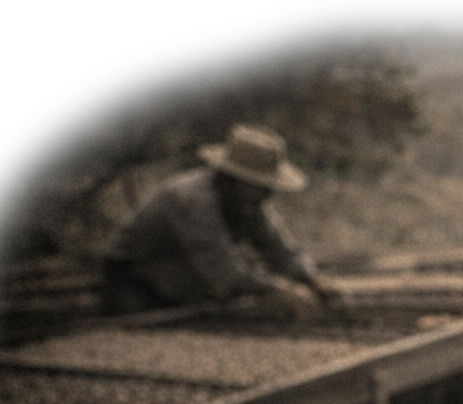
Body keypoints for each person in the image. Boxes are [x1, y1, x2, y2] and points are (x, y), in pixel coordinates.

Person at [99, 123, 338, 316]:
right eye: (262, 186)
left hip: (184, 275)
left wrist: (310, 276)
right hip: (135, 277)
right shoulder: (193, 199)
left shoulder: (250, 203)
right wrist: (274, 286)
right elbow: (222, 268)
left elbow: (279, 247)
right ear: (237, 179)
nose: (269, 193)